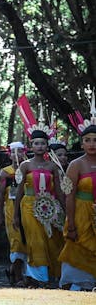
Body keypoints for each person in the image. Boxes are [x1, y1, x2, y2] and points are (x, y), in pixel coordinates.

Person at [13, 128, 65, 287]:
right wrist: (16, 215)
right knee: (36, 240)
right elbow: (19, 192)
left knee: (50, 240)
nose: (40, 146)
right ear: (31, 146)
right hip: (29, 206)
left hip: (49, 208)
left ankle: (46, 275)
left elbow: (59, 192)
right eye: (36, 143)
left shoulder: (52, 167)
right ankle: (38, 277)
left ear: (47, 146)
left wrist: (66, 212)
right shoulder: (25, 165)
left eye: (43, 143)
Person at [59, 121, 96, 291]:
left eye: (95, 140)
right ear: (82, 143)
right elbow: (69, 196)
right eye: (87, 140)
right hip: (82, 213)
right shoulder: (75, 165)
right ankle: (78, 285)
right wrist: (71, 224)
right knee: (78, 247)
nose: (92, 144)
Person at [0, 143, 28, 285]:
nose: (17, 155)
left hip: (28, 208)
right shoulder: (5, 172)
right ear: (9, 154)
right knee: (16, 243)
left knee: (28, 241)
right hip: (11, 210)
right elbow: (0, 194)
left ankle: (18, 272)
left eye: (20, 151)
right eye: (14, 152)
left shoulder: (29, 168)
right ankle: (18, 276)